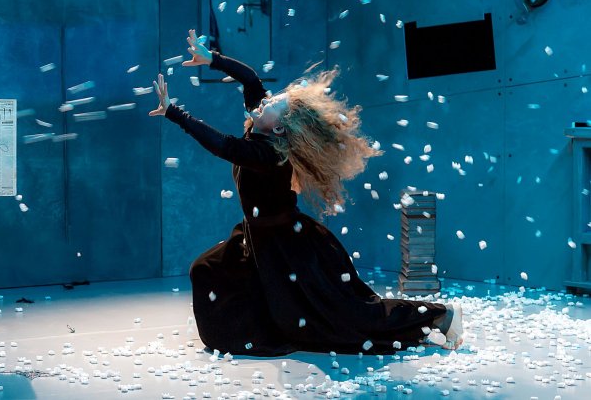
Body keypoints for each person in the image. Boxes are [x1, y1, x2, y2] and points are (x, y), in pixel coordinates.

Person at [149, 29, 464, 356]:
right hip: (256, 236)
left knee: (342, 314)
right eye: (268, 99)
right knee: (207, 269)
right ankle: (252, 332)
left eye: (272, 104)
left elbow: (224, 146)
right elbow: (251, 79)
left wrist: (174, 112)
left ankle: (441, 316)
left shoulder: (269, 154)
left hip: (285, 243)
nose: (264, 101)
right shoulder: (262, 123)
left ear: (279, 128)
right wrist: (212, 59)